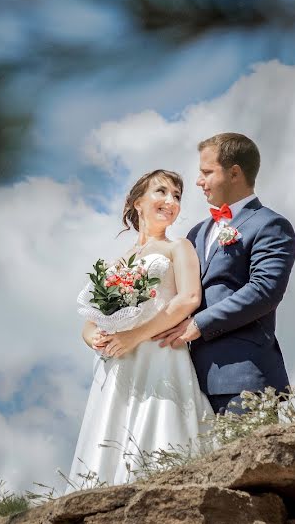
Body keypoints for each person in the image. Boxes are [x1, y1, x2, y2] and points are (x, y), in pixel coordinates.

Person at [66, 169, 213, 491]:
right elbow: (91, 319)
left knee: (161, 429)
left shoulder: (179, 248)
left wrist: (134, 336)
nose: (170, 201)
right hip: (119, 362)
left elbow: (189, 298)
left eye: (176, 196)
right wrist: (94, 337)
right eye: (161, 192)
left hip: (158, 354)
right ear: (137, 202)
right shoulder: (119, 261)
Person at [154, 133, 295, 415]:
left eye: (207, 172)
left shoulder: (271, 225)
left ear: (234, 173)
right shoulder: (196, 232)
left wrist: (200, 324)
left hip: (242, 377)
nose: (198, 181)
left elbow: (264, 290)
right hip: (188, 380)